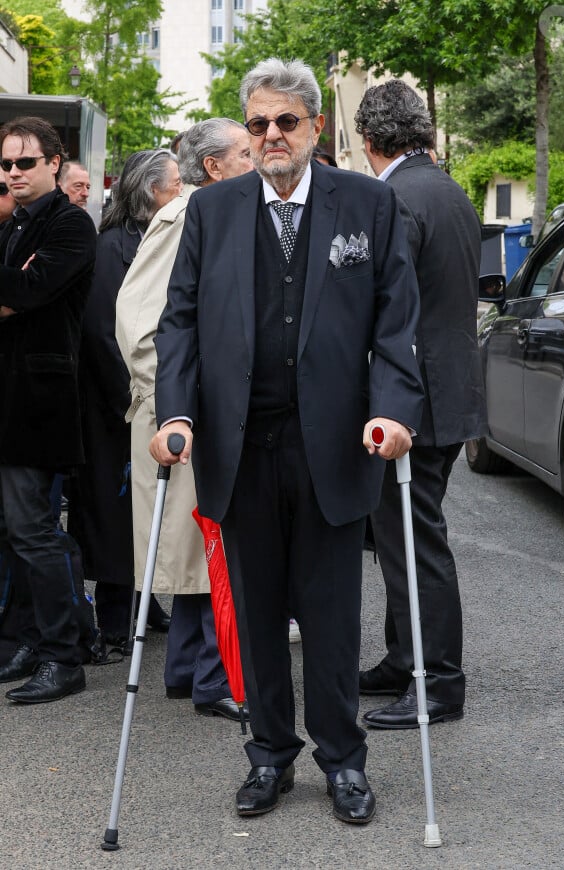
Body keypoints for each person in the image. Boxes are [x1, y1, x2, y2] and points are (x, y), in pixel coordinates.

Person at [150, 58, 424, 825]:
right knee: (259, 614)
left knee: (332, 617)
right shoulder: (213, 210)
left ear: (313, 129)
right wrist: (176, 414)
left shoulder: (367, 205)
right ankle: (269, 754)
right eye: (259, 124)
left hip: (337, 446)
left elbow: (395, 324)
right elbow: (180, 322)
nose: (272, 136)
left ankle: (342, 758)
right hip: (240, 446)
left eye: (286, 123)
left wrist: (395, 410)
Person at [354, 80, 486, 729]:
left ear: (369, 139)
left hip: (416, 397)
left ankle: (437, 681)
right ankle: (406, 657)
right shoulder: (446, 188)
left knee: (412, 539)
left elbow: (386, 305)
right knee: (401, 532)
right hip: (446, 387)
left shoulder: (396, 197)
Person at [116, 119, 253, 720]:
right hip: (185, 417)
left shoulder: (218, 209)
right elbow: (138, 322)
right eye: (245, 151)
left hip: (197, 411)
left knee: (203, 547)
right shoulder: (188, 215)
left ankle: (190, 671)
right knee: (206, 547)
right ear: (215, 166)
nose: (259, 157)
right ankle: (207, 678)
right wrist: (176, 403)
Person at [67, 150, 182, 647]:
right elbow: (104, 332)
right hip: (119, 405)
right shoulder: (113, 246)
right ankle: (116, 618)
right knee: (115, 514)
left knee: (142, 509)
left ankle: (145, 600)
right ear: (150, 190)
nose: (181, 191)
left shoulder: (146, 238)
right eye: (174, 183)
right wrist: (133, 400)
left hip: (139, 401)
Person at [0, 116, 97, 702]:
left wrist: (17, 288)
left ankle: (65, 654)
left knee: (33, 530)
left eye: (25, 163)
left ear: (54, 163)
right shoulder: (13, 225)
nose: (13, 173)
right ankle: (34, 640)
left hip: (38, 404)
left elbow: (28, 293)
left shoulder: (70, 224)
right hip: (9, 401)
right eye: (6, 164)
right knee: (14, 533)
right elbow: (15, 291)